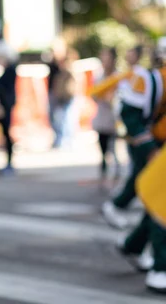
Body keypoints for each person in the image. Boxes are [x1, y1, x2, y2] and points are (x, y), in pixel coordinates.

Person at [110, 37, 166, 294]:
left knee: (157, 203)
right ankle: (160, 267)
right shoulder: (151, 79)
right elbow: (129, 113)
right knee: (161, 205)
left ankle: (134, 244)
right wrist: (148, 148)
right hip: (154, 148)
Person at [101, 45, 151, 229]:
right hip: (139, 134)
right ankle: (117, 204)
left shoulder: (140, 75)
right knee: (139, 173)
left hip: (140, 133)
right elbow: (128, 107)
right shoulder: (133, 76)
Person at [89, 47, 121, 187]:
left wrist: (111, 99)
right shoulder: (99, 76)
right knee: (102, 147)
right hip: (102, 116)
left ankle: (116, 173)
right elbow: (94, 94)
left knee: (113, 148)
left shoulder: (118, 76)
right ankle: (104, 172)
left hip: (114, 118)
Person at [0, 39, 19, 177]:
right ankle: (8, 163)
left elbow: (3, 90)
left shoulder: (10, 70)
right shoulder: (8, 70)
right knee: (4, 134)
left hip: (6, 106)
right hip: (5, 105)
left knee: (7, 133)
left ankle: (9, 163)